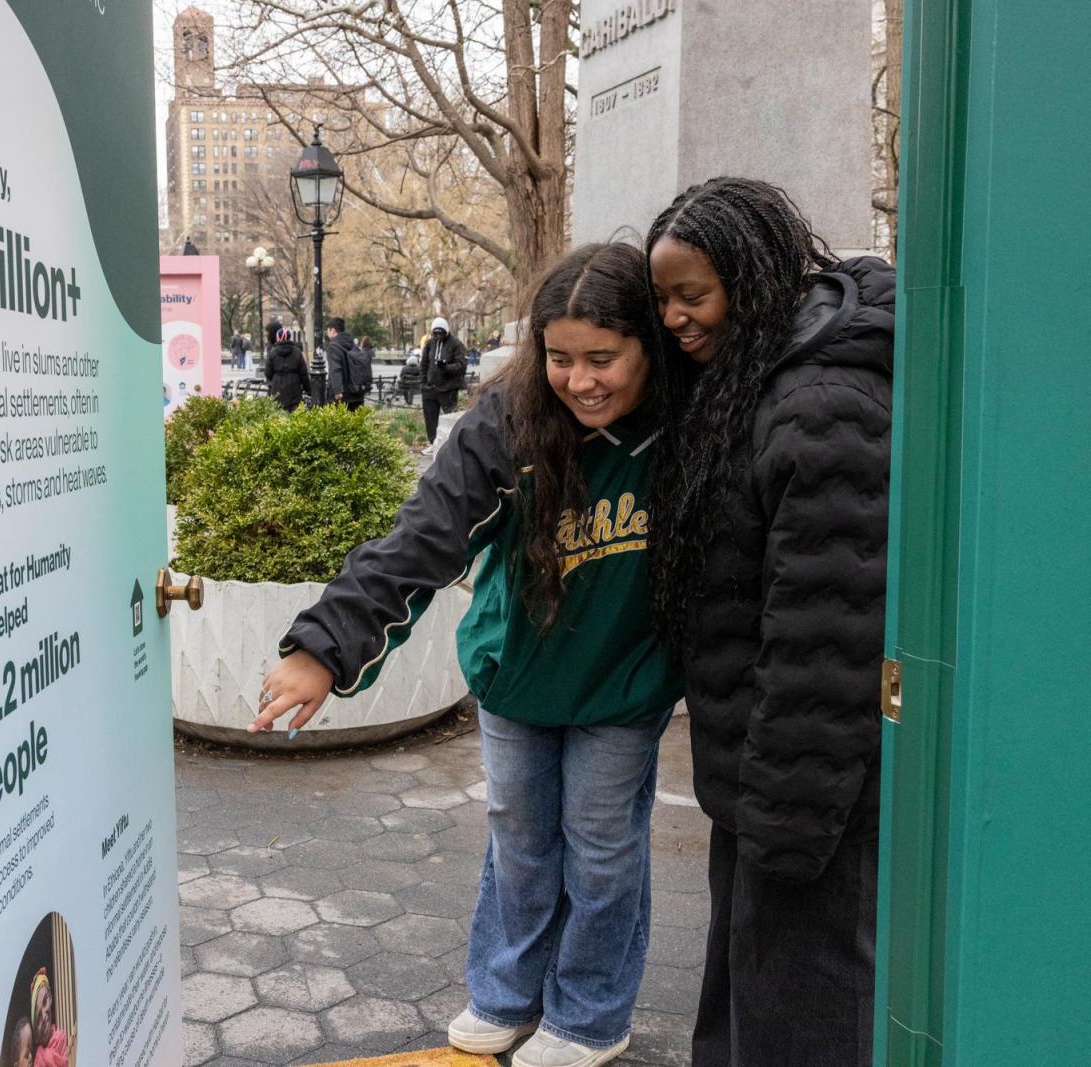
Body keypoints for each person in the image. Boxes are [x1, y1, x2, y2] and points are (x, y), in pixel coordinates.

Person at [252, 244, 685, 1067]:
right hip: (517, 672)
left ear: (645, 350)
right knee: (521, 837)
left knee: (601, 848)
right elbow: (422, 537)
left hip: (623, 683)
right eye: (560, 358)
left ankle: (590, 1015)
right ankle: (505, 992)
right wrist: (324, 646)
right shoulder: (507, 422)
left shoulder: (683, 424)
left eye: (604, 358)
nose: (582, 379)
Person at [645, 176, 893, 1067]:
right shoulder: (761, 371)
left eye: (692, 295)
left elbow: (826, 639)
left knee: (804, 1014)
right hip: (762, 786)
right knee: (749, 1000)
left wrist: (784, 828)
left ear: (751, 278)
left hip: (805, 799)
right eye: (663, 298)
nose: (674, 318)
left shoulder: (820, 404)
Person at [420, 316, 468, 455]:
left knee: (450, 417)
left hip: (448, 388)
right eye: (435, 333)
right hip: (430, 388)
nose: (438, 336)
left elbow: (461, 366)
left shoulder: (456, 344)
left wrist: (446, 367)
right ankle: (433, 443)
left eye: (441, 333)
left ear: (446, 332)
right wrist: (423, 383)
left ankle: (452, 445)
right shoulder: (430, 344)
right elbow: (424, 364)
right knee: (430, 418)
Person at [263, 326, 310, 411]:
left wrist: (271, 384)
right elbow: (303, 373)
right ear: (289, 338)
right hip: (294, 387)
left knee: (278, 413)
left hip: (277, 387)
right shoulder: (297, 352)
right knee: (294, 414)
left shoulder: (273, 352)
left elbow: (267, 372)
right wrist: (308, 389)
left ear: (278, 338)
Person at [323, 317, 366, 411]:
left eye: (328, 331)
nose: (327, 333)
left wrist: (337, 391)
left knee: (336, 424)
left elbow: (335, 369)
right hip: (356, 393)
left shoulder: (332, 346)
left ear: (333, 330)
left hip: (341, 396)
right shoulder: (352, 344)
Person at [29, 968, 69, 1067]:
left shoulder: (63, 1038)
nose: (44, 1016)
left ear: (50, 997)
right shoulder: (38, 1062)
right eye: (38, 1019)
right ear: (36, 1036)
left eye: (45, 1001)